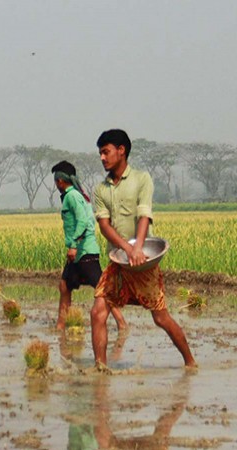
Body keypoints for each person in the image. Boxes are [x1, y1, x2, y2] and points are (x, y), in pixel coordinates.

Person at [90, 129, 197, 368]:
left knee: (160, 317)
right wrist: (127, 251)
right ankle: (100, 368)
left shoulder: (141, 179)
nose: (102, 158)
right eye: (100, 153)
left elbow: (144, 215)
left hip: (143, 264)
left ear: (121, 151)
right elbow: (104, 225)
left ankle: (190, 362)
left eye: (106, 152)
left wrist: (137, 248)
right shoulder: (101, 189)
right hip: (118, 262)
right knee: (98, 312)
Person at [52, 160, 127, 332]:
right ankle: (60, 326)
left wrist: (73, 246)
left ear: (61, 181)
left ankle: (121, 323)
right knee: (64, 286)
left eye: (56, 181)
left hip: (84, 251)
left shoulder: (72, 196)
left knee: (102, 288)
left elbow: (84, 221)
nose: (56, 184)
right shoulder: (74, 196)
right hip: (79, 253)